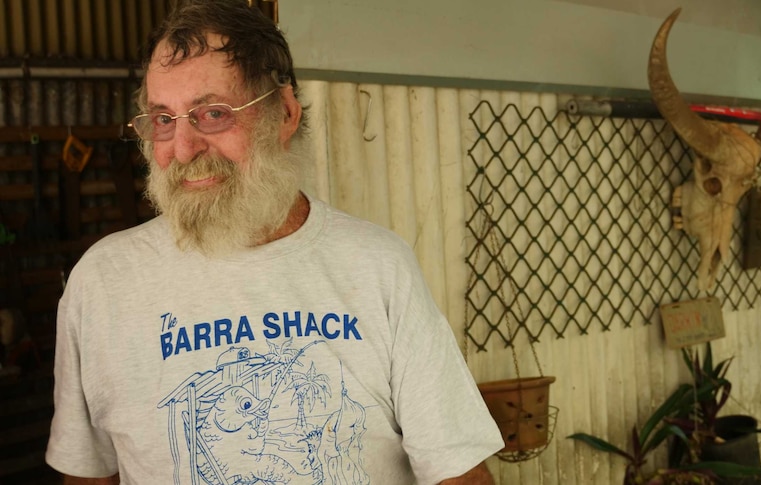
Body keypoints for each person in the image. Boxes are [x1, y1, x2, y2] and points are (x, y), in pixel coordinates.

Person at [45, 1, 503, 483]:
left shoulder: (377, 266)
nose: (181, 149)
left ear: (283, 114)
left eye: (213, 113)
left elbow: (456, 470)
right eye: (163, 120)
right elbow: (88, 474)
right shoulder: (102, 283)